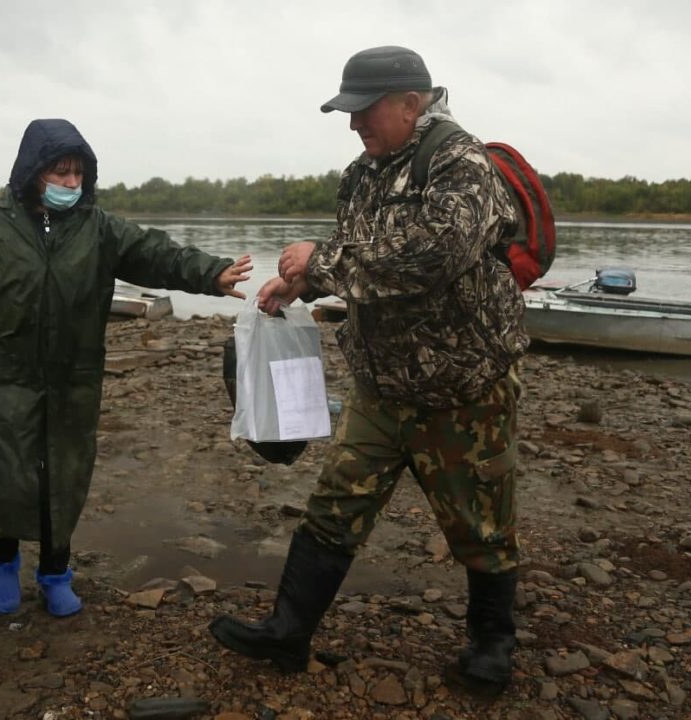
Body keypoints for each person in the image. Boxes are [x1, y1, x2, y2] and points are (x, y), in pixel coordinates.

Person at [209, 46, 528, 695]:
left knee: (479, 521)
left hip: (463, 385)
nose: (354, 124)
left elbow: (435, 253)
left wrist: (318, 261)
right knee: (333, 506)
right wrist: (300, 288)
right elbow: (369, 270)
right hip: (381, 384)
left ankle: (491, 646)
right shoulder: (360, 175)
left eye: (364, 110)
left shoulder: (459, 161)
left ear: (412, 104)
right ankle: (287, 633)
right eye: (347, 112)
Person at [0, 118, 252, 617]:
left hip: (73, 379)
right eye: (60, 172)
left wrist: (212, 273)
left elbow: (155, 252)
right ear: (33, 172)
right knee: (6, 475)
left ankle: (55, 573)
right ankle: (1, 563)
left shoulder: (100, 229)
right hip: (1, 378)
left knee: (63, 476)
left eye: (78, 174)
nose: (71, 184)